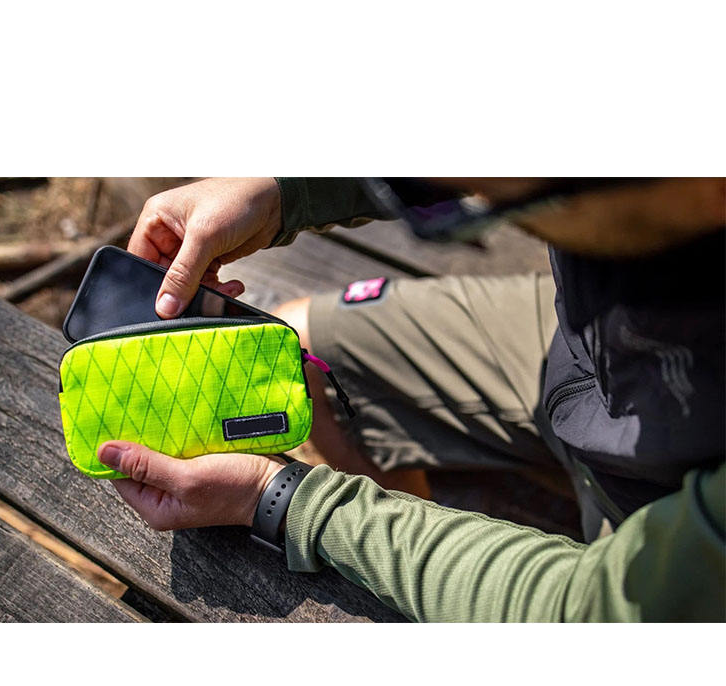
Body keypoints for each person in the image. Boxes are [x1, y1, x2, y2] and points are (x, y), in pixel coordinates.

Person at [95, 177, 725, 622]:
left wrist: (280, 497)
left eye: (462, 207)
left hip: (670, 535)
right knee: (308, 350)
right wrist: (283, 193)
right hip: (589, 347)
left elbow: (580, 610)